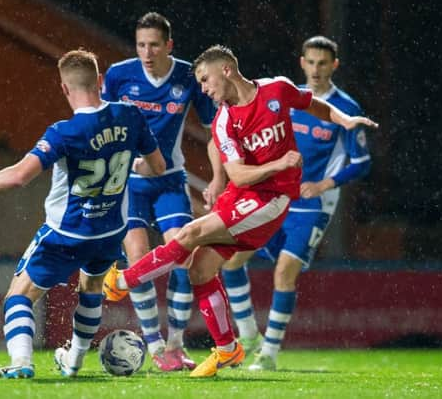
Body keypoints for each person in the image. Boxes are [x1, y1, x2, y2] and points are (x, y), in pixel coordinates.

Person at [103, 44, 378, 377]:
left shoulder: (277, 90)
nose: (203, 89)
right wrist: (278, 162)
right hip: (243, 193)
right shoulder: (223, 122)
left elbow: (314, 105)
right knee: (201, 271)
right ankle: (228, 348)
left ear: (226, 71)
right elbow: (238, 174)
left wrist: (344, 119)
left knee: (191, 233)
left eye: (205, 80)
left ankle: (124, 279)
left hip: (272, 199)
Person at [0, 49, 165, 379]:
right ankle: (74, 361)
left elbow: (20, 175)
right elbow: (157, 166)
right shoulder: (130, 115)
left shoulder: (64, 132)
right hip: (110, 232)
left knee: (18, 295)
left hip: (68, 233)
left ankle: (21, 362)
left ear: (64, 88)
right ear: (101, 82)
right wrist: (130, 164)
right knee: (91, 289)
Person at [221, 35, 373, 371]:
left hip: (312, 204)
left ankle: (269, 354)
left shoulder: (345, 108)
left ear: (335, 66)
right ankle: (249, 338)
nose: (316, 70)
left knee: (283, 273)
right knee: (230, 262)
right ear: (301, 62)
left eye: (323, 63)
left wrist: (322, 184)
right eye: (311, 62)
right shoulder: (283, 99)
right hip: (274, 196)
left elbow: (362, 161)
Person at [101, 12, 222, 371]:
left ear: (169, 45)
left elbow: (215, 131)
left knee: (183, 256)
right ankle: (154, 345)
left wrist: (217, 178)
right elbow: (102, 123)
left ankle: (174, 344)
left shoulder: (188, 76)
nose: (147, 52)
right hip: (129, 186)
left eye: (154, 44)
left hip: (170, 180)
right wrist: (124, 158)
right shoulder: (120, 75)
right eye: (141, 44)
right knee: (138, 259)